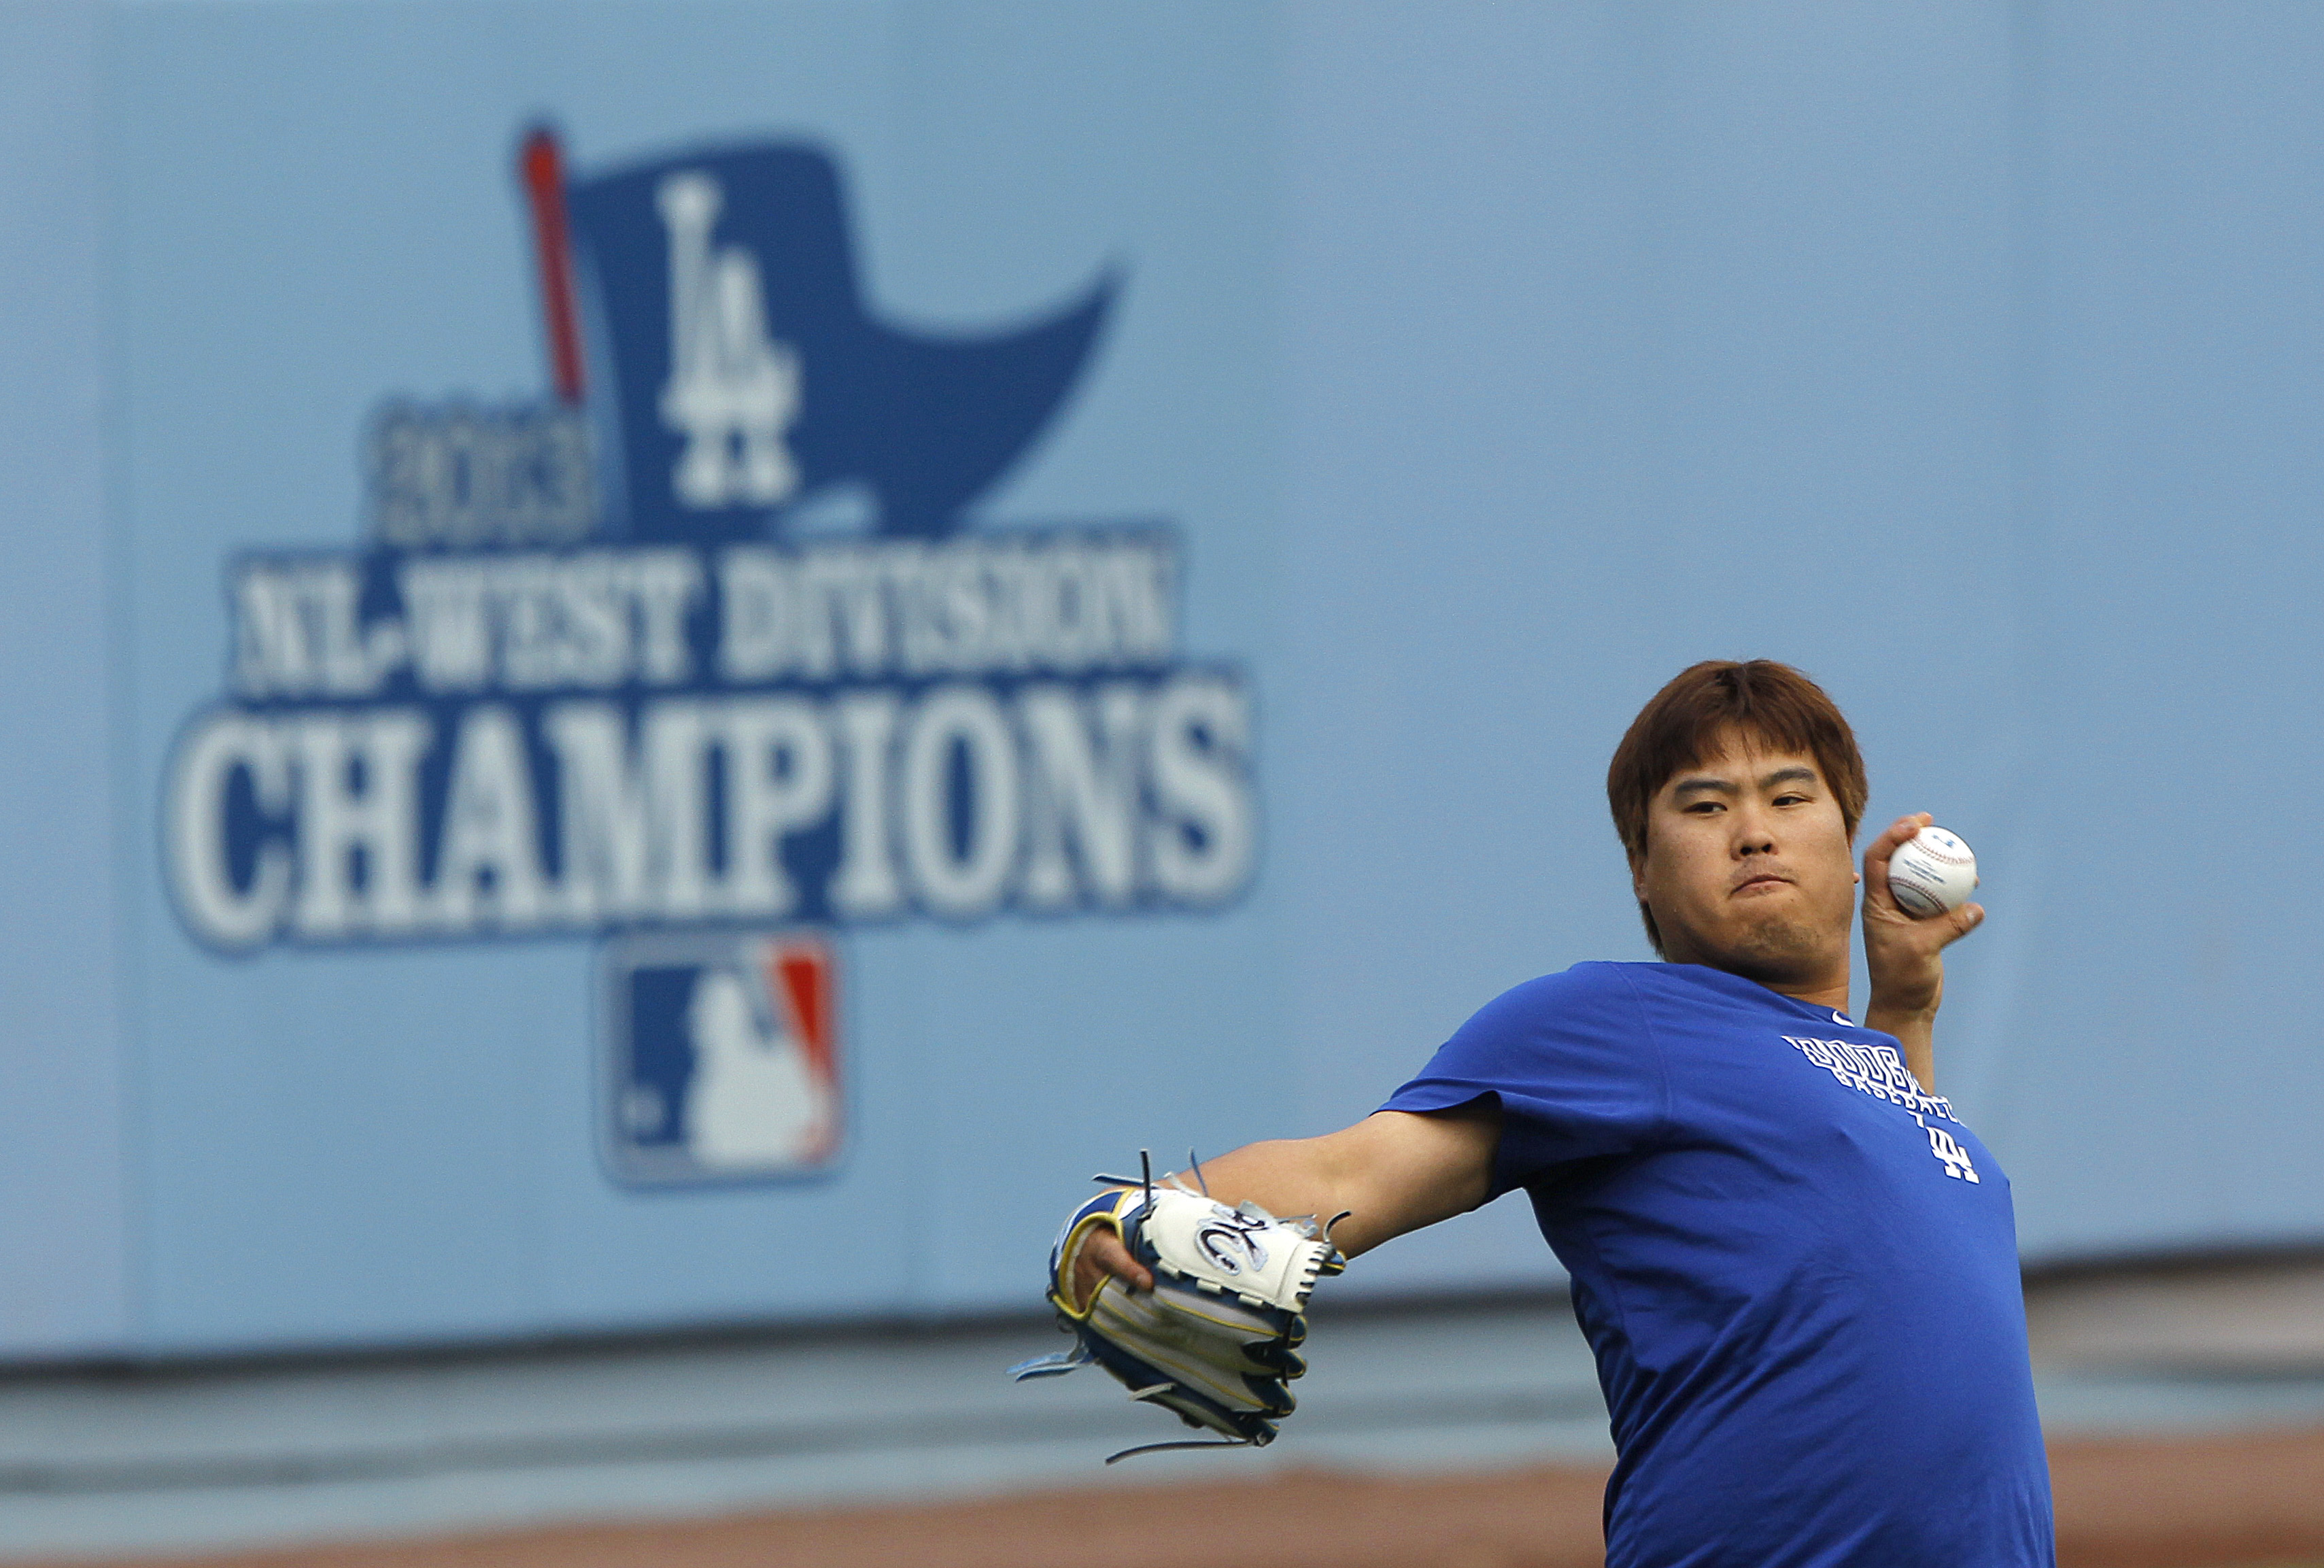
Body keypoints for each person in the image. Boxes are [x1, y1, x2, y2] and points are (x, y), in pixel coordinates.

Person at [1067, 660, 2053, 1567]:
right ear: (1640, 869)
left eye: (1789, 796)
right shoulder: (1623, 1021)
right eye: (1703, 805)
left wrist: (1905, 1008)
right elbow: (1352, 1172)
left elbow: (1892, 1180)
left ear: (1848, 844)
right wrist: (1131, 1216)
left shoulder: (1880, 1070)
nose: (1753, 828)